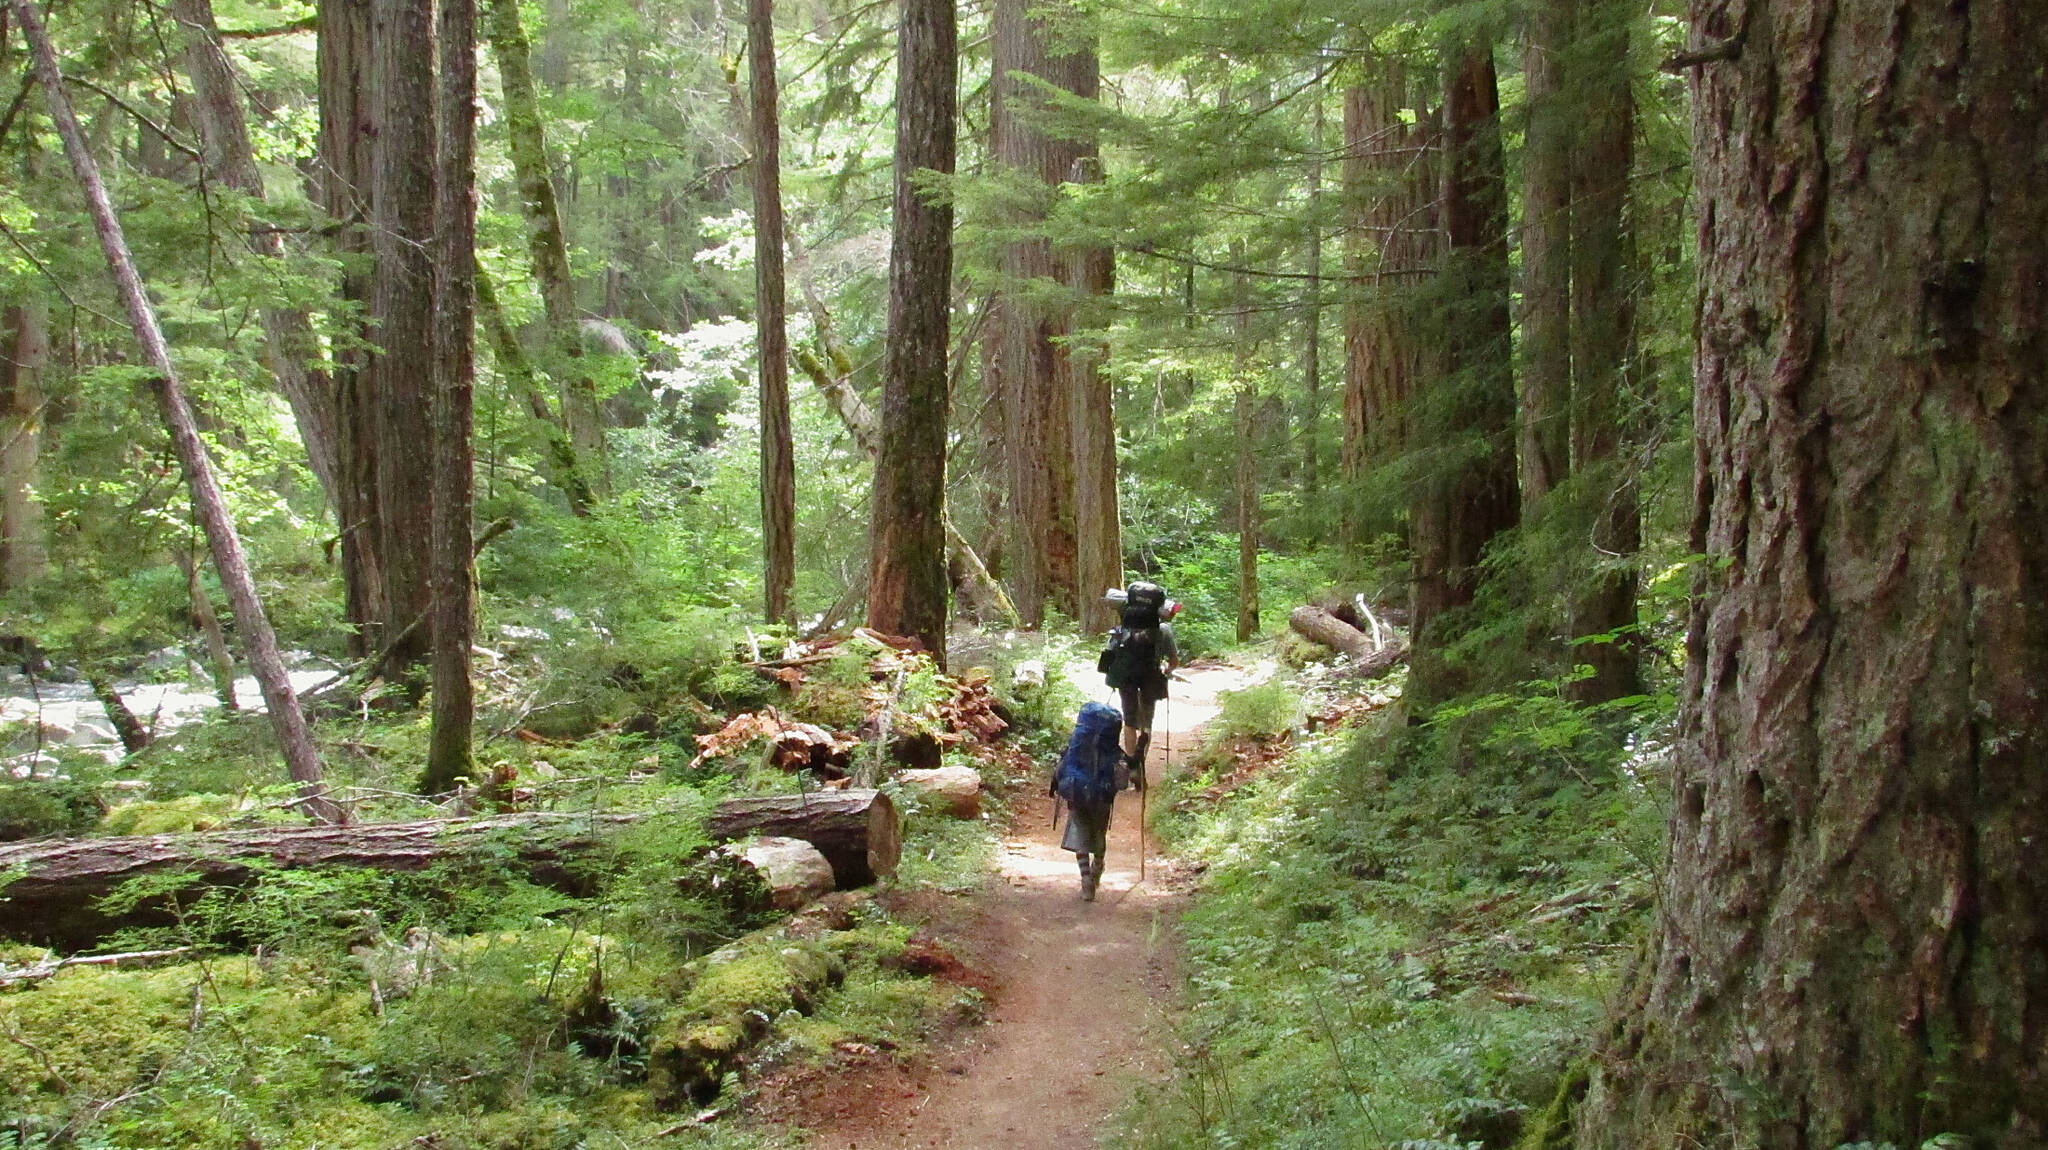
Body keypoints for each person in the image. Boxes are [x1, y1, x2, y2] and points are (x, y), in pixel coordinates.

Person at [1096, 580, 1180, 774]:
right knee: (1147, 722)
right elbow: (1174, 661)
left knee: (1129, 719)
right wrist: (1167, 669)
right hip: (1151, 676)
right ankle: (1140, 762)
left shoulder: (1122, 628)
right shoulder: (1163, 630)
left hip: (1126, 676)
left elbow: (1111, 652)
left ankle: (1132, 766)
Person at [1050, 701, 1128, 900]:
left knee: (1081, 833)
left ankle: (1085, 878)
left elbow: (1059, 771)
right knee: (1099, 832)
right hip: (1102, 796)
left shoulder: (1075, 747)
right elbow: (1123, 782)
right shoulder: (1113, 752)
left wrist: (1056, 787)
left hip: (1076, 792)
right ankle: (1098, 867)